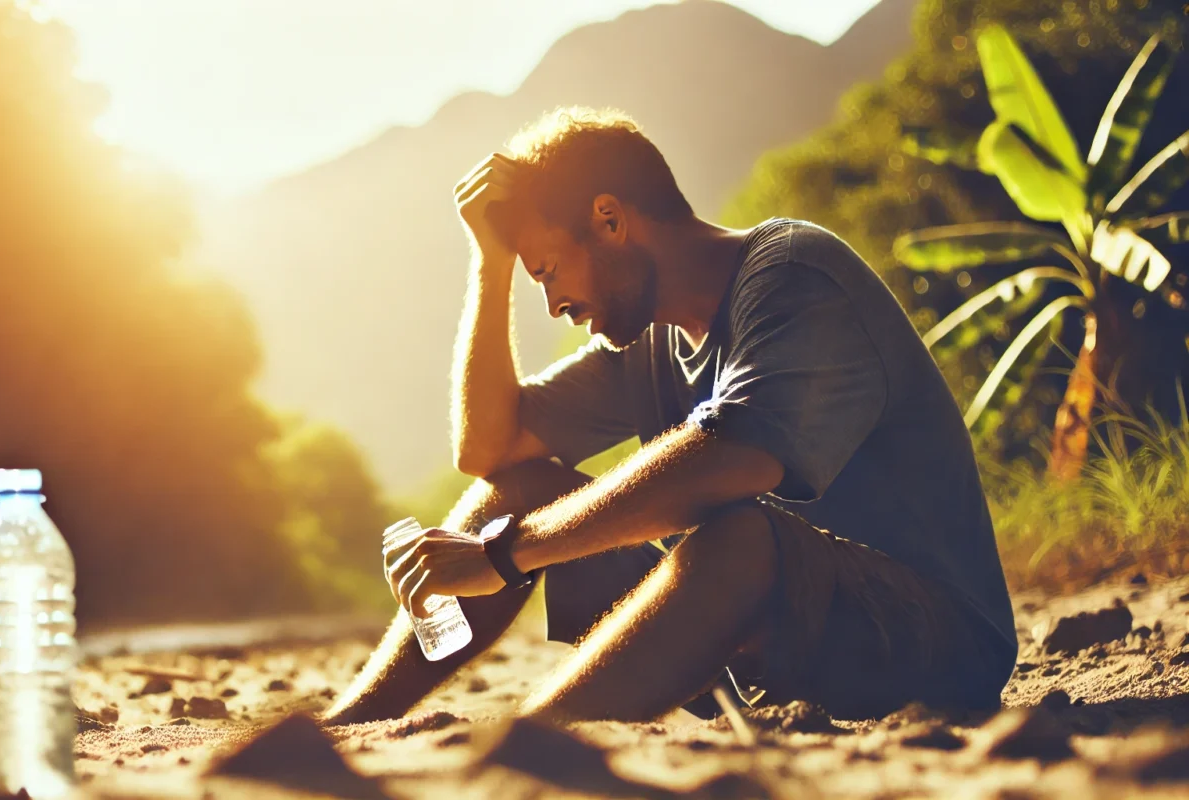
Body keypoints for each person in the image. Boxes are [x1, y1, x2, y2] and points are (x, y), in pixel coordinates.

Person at [320, 107, 1015, 726]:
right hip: (762, 645)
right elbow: (490, 449)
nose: (553, 303)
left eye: (547, 271)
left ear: (611, 220)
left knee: (738, 529)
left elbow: (729, 459)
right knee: (522, 492)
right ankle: (355, 722)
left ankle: (533, 743)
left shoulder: (794, 274)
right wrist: (491, 263)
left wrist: (503, 554)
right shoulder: (649, 339)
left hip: (931, 639)